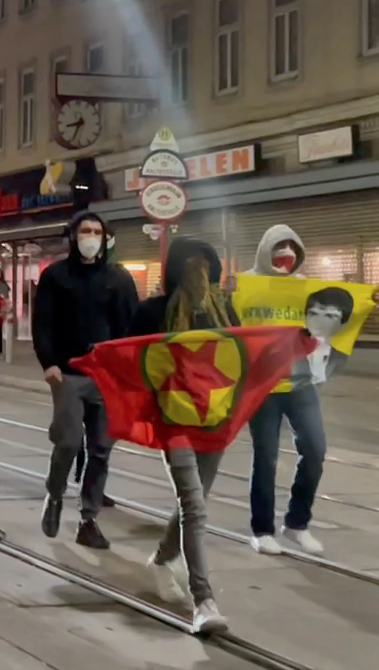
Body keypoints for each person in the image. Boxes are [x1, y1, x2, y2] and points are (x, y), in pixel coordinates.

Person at [129, 238, 234, 634]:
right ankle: (203, 600)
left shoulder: (225, 312)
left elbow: (245, 354)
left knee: (196, 501)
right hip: (172, 419)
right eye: (190, 265)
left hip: (214, 417)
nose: (198, 273)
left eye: (205, 265)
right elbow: (131, 357)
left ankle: (161, 560)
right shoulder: (153, 312)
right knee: (194, 505)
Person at [30, 211, 136, 549]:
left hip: (106, 376)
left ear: (105, 238)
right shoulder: (55, 276)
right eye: (85, 231)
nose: (91, 237)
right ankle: (55, 494)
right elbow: (42, 323)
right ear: (73, 236)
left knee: (101, 449)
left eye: (97, 232)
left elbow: (129, 326)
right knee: (69, 441)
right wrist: (49, 363)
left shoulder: (118, 278)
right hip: (68, 373)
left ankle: (88, 519)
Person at [242, 223, 331, 557]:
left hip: (300, 382)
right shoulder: (247, 284)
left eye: (293, 248)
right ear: (265, 250)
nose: (286, 254)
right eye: (279, 247)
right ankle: (262, 529)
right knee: (265, 457)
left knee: (316, 450)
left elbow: (326, 322)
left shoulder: (304, 288)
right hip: (262, 386)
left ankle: (297, 523)